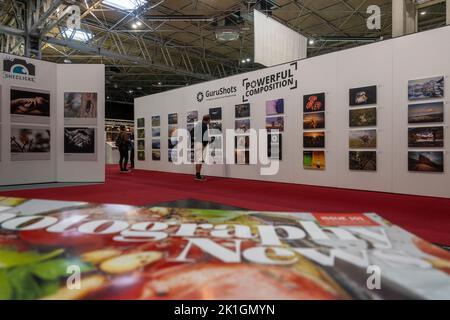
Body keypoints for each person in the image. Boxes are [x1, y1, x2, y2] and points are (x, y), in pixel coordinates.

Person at [191, 114, 214, 181]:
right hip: (200, 144)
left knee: (199, 160)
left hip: (197, 144)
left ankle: (198, 175)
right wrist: (209, 140)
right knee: (199, 160)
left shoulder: (198, 124)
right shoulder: (204, 126)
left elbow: (191, 133)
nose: (210, 122)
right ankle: (198, 176)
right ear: (208, 120)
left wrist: (194, 140)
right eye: (210, 120)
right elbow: (205, 137)